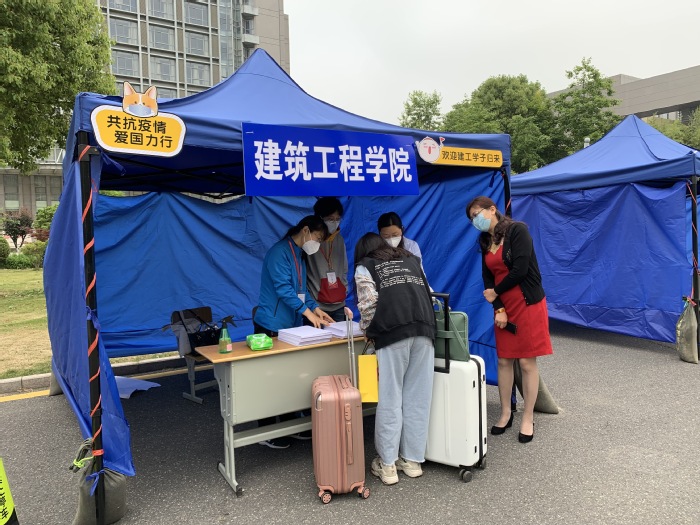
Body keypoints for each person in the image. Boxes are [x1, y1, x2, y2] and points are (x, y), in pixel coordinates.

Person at [466, 196, 553, 444]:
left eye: (477, 214)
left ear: (492, 209)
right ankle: (506, 413)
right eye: (471, 218)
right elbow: (488, 279)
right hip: (504, 306)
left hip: (528, 303)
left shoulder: (517, 231)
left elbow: (521, 269)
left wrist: (496, 292)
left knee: (526, 362)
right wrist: (499, 308)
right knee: (504, 360)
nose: (475, 220)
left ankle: (528, 416)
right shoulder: (484, 240)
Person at [354, 232, 436, 485]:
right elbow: (431, 294)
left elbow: (369, 306)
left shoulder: (365, 266)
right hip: (424, 329)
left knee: (390, 397)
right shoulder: (411, 259)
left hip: (391, 333)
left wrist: (367, 330)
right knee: (418, 398)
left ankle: (388, 464)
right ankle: (412, 461)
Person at [253, 215, 334, 448]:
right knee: (269, 378)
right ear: (305, 230)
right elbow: (284, 290)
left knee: (288, 376)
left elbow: (301, 291)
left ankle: (289, 424)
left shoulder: (298, 254)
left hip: (290, 324)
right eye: (317, 238)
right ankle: (266, 430)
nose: (317, 243)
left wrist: (316, 309)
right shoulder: (279, 252)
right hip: (270, 324)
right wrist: (308, 314)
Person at [306, 197, 349, 322]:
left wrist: (344, 288)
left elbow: (344, 268)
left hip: (339, 303)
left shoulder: (339, 239)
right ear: (320, 218)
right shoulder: (310, 240)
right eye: (330, 219)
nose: (334, 223)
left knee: (340, 334)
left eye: (337, 219)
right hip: (316, 305)